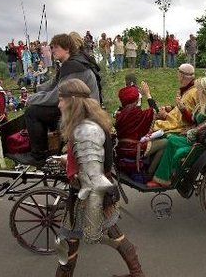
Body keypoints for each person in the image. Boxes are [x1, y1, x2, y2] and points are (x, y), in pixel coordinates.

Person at [53, 78, 144, 277]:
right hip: (90, 194)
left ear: (73, 100)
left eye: (61, 99)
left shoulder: (85, 131)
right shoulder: (88, 125)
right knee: (116, 237)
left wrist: (93, 217)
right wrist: (67, 160)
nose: (59, 104)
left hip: (86, 199)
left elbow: (93, 180)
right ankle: (137, 274)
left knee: (68, 247)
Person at [16, 33, 100, 166]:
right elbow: (54, 83)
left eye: (55, 47)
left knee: (32, 112)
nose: (52, 50)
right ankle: (47, 147)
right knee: (38, 109)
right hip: (80, 107)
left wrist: (31, 99)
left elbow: (56, 96)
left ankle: (38, 156)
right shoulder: (72, 63)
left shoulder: (73, 66)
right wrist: (37, 89)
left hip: (83, 112)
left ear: (66, 49)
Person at [147, 76, 206, 187]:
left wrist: (194, 130)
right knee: (171, 139)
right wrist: (182, 109)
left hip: (204, 144)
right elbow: (193, 120)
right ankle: (161, 179)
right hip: (197, 139)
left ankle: (166, 178)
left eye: (198, 89)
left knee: (178, 151)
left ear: (205, 91)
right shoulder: (203, 103)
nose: (197, 91)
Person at [114, 81, 160, 180]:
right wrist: (148, 94)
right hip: (134, 148)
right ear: (136, 99)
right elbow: (155, 110)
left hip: (122, 148)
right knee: (165, 142)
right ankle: (151, 175)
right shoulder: (137, 114)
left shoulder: (119, 114)